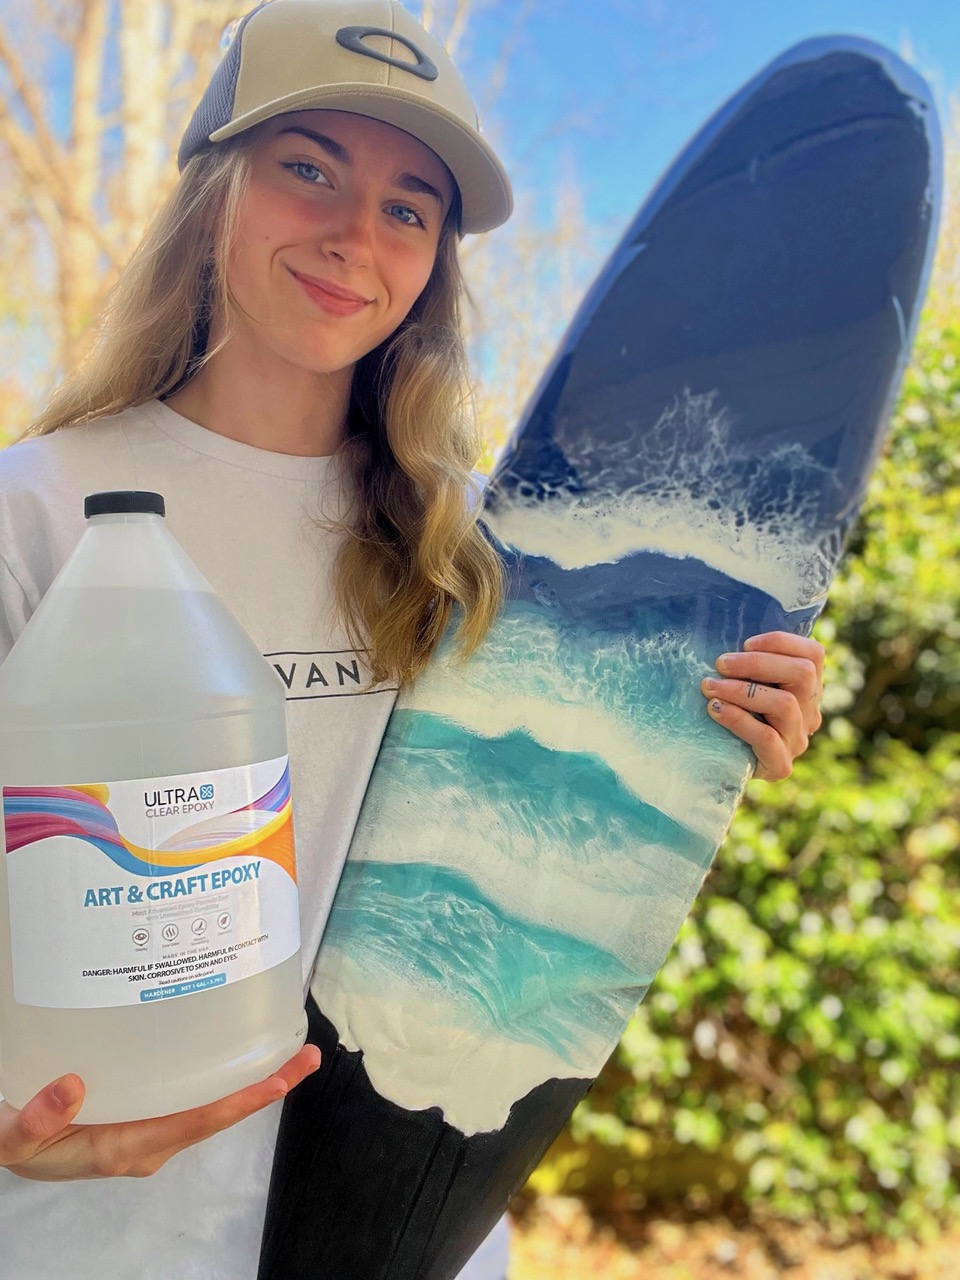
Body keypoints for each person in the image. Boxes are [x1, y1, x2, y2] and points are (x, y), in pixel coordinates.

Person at [0, 1, 825, 1276]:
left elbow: (555, 822)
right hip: (105, 1228)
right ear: (215, 186)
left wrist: (722, 714)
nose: (352, 234)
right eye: (309, 167)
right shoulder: (35, 509)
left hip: (408, 1230)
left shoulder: (478, 551)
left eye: (408, 206)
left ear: (434, 259)